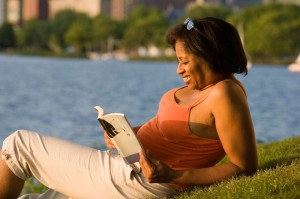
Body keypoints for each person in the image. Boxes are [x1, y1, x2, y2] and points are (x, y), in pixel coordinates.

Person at [0, 17, 258, 199]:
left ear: (209, 55)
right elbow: (175, 132)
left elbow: (243, 166)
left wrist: (175, 175)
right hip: (125, 167)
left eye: (184, 61)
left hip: (139, 183)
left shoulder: (224, 93)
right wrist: (128, 134)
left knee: (19, 144)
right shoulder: (204, 87)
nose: (179, 69)